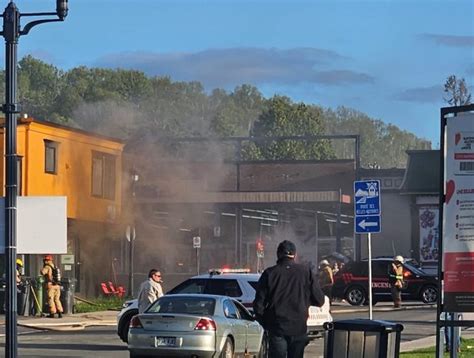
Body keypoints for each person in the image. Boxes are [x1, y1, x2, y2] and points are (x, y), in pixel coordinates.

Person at [253, 240, 325, 358]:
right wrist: (305, 300)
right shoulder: (306, 272)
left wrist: (266, 323)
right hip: (299, 327)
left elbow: (258, 305)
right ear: (295, 255)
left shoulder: (269, 273)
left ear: (278, 254)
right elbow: (319, 300)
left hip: (277, 327)